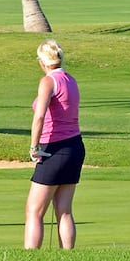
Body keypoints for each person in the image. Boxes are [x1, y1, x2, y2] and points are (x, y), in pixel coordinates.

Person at [24, 39, 82, 249]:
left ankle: (31, 259)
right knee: (64, 209)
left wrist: (34, 147)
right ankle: (67, 256)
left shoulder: (48, 81)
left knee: (34, 210)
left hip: (54, 148)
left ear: (42, 61)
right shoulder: (71, 80)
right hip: (74, 146)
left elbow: (39, 117)